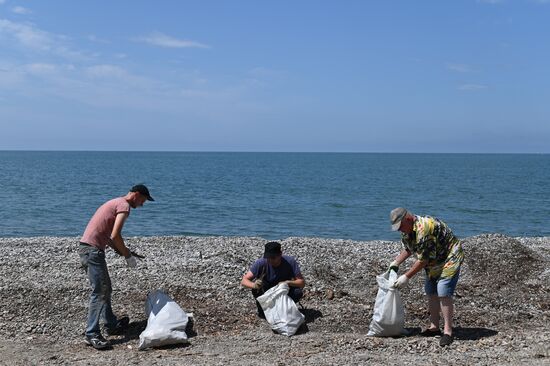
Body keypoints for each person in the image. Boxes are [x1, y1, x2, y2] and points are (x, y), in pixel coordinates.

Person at [78, 184, 154, 349]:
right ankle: (91, 334)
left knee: (106, 288)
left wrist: (124, 252)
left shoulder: (115, 202)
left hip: (89, 249)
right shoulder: (124, 205)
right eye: (143, 200)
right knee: (99, 291)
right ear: (136, 194)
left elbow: (110, 238)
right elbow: (115, 234)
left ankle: (111, 324)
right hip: (92, 251)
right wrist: (127, 255)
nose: (142, 204)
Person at [388, 207, 464, 347]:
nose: (399, 230)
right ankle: (434, 327)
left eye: (400, 226)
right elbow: (409, 248)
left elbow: (423, 260)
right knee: (430, 290)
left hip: (449, 256)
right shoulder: (408, 229)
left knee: (443, 290)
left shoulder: (425, 229)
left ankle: (448, 332)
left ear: (408, 219)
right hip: (435, 258)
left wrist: (406, 276)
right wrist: (396, 263)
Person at [241, 241, 305, 318]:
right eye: (268, 258)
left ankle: (284, 309)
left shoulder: (290, 262)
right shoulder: (261, 263)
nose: (270, 260)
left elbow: (301, 282)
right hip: (267, 292)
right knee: (256, 289)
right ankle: (264, 309)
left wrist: (288, 282)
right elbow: (244, 280)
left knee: (297, 292)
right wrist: (254, 285)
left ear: (280, 254)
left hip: (284, 292)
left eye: (273, 258)